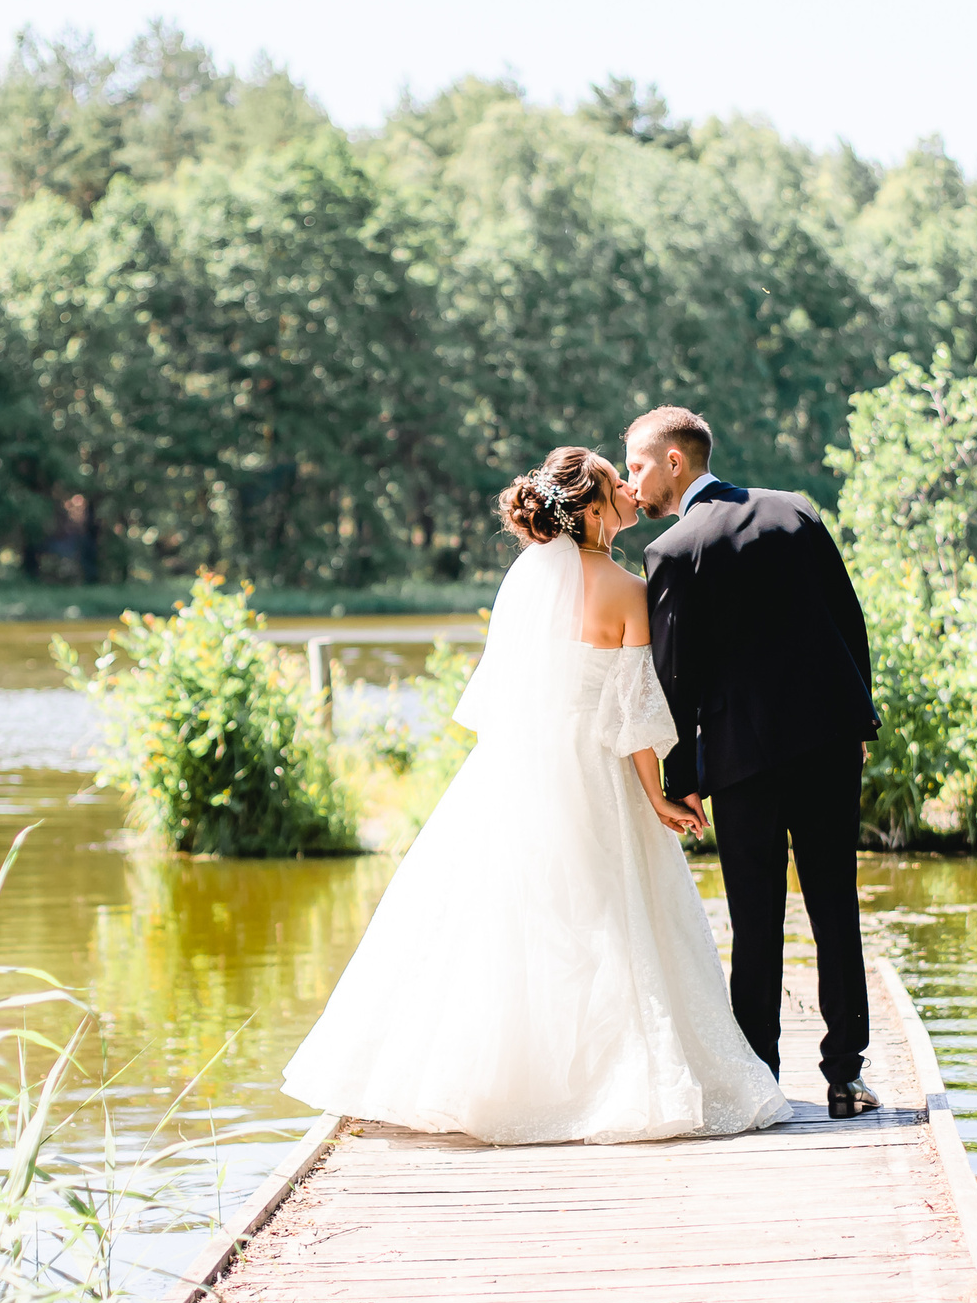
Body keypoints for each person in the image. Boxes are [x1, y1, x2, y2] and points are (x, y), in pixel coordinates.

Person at [280, 447, 789, 1145]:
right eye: (615, 482)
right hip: (596, 771)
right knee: (614, 918)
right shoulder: (627, 589)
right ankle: (607, 1082)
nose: (630, 489)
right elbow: (635, 715)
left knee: (515, 918)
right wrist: (659, 796)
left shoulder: (526, 578)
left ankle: (500, 1080)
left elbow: (508, 693)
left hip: (519, 767)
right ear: (592, 509)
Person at [624, 406, 883, 1119]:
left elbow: (673, 677)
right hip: (829, 745)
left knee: (756, 920)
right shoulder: (795, 511)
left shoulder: (673, 550)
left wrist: (681, 779)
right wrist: (860, 717)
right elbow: (848, 619)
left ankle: (762, 1078)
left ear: (675, 461)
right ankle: (846, 1078)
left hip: (742, 761)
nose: (632, 482)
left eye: (639, 466)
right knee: (836, 909)